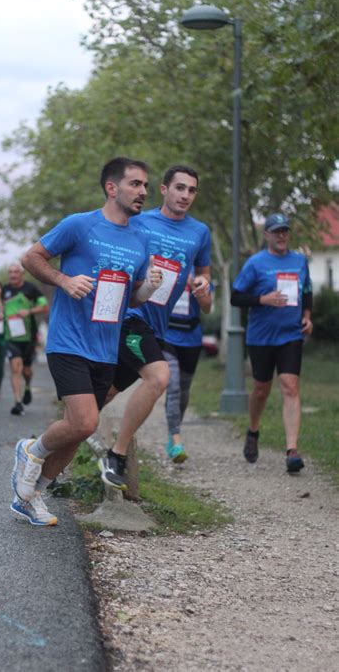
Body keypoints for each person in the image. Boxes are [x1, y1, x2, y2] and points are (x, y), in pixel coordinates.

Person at [11, 156, 163, 526]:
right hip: (68, 340)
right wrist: (64, 280)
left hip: (105, 345)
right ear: (112, 188)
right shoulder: (80, 225)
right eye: (135, 184)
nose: (143, 191)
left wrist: (148, 286)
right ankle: (31, 450)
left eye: (145, 185)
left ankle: (32, 497)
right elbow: (32, 257)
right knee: (84, 422)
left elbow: (134, 298)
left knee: (76, 432)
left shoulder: (141, 237)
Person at [98, 164, 211, 490]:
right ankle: (116, 455)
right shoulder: (139, 221)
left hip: (158, 328)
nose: (185, 195)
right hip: (130, 317)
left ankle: (49, 448)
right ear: (163, 189)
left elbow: (206, 290)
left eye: (191, 190)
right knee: (159, 376)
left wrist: (204, 289)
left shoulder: (199, 232)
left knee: (103, 395)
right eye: (180, 188)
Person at [231, 213, 313, 473]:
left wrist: (308, 317)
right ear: (266, 235)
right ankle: (253, 431)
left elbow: (307, 291)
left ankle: (291, 451)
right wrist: (262, 300)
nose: (281, 235)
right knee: (261, 389)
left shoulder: (300, 261)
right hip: (261, 336)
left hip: (290, 334)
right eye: (276, 231)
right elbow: (236, 297)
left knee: (290, 386)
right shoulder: (256, 263)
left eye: (285, 231)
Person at [162, 273, 213, 462]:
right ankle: (176, 441)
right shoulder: (164, 264)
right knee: (173, 385)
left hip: (191, 338)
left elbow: (207, 307)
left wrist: (197, 289)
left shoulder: (200, 272)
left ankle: (173, 432)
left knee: (183, 390)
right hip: (166, 334)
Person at [3, 264, 49, 415]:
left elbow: (44, 307)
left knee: (26, 370)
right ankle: (17, 402)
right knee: (15, 368)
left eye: (16, 272)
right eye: (10, 272)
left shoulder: (31, 289)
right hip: (11, 336)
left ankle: (27, 386)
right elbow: (1, 309)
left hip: (28, 336)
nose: (13, 275)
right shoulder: (5, 290)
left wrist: (28, 311)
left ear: (21, 274)